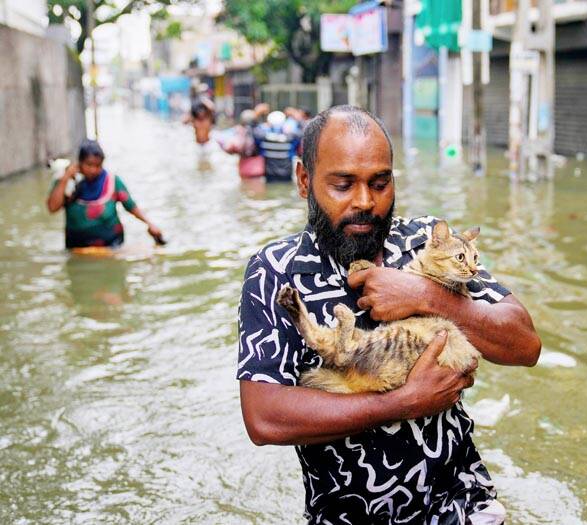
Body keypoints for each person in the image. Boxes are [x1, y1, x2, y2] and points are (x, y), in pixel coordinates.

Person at [237, 105, 541, 524]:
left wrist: (427, 295)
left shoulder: (428, 242)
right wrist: (403, 402)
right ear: (304, 180)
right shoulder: (275, 271)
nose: (365, 201)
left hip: (461, 503)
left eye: (380, 183)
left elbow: (525, 346)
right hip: (349, 516)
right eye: (343, 185)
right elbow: (264, 418)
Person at [47, 140, 164, 249]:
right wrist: (65, 178)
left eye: (98, 165)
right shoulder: (67, 182)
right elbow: (52, 208)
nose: (93, 170)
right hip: (77, 248)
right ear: (80, 163)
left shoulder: (112, 181)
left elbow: (130, 206)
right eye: (89, 165)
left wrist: (149, 224)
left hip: (112, 246)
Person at [254, 110, 302, 182]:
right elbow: (301, 134)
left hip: (269, 173)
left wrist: (257, 113)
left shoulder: (263, 138)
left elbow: (254, 132)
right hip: (287, 173)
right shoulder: (291, 138)